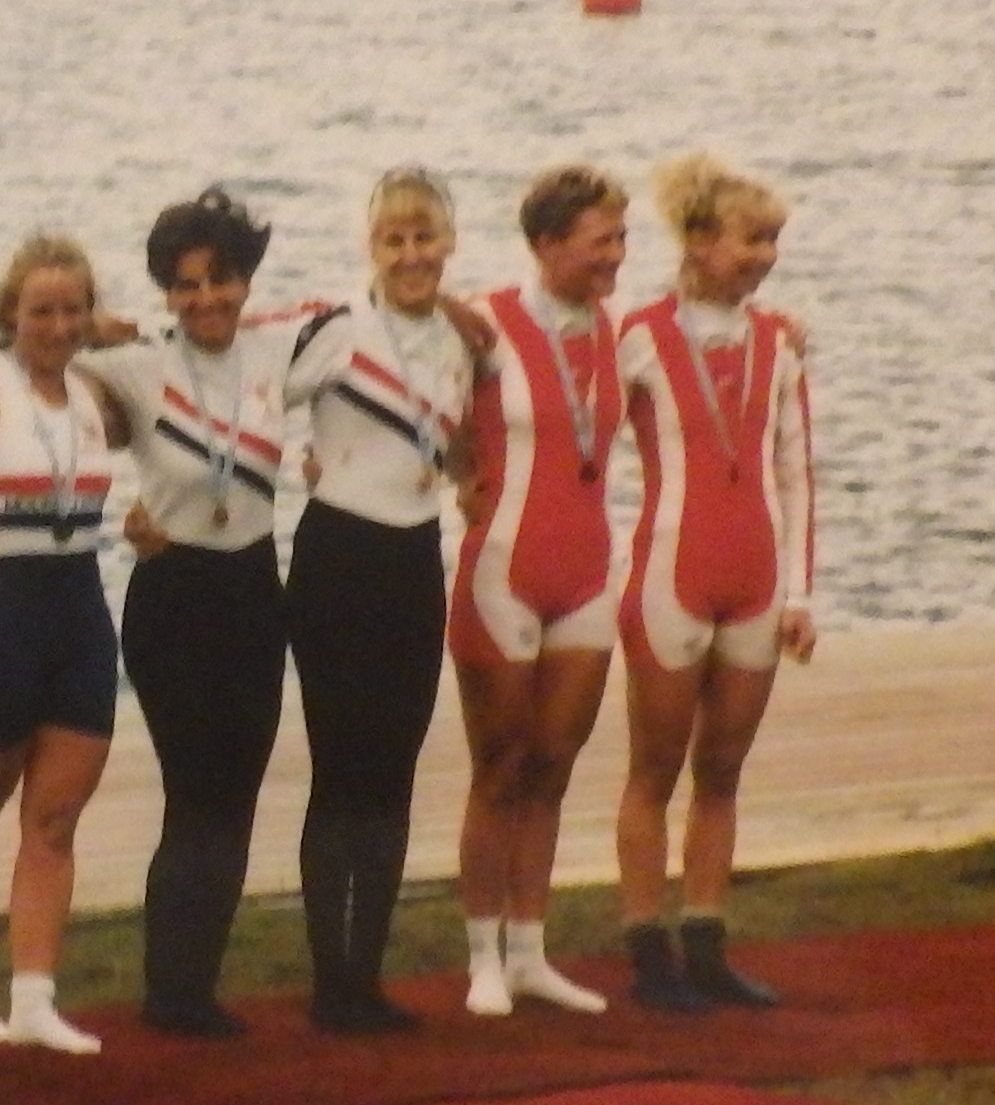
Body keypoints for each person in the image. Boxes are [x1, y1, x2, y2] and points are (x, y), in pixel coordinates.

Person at [82, 187, 327, 1038]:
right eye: (185, 286)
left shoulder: (277, 347)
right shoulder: (137, 361)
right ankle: (170, 990)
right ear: (164, 293)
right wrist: (97, 327)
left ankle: (201, 985)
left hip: (257, 594)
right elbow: (13, 347)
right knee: (193, 796)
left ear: (246, 279)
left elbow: (365, 325)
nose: (206, 300)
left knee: (238, 795)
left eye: (220, 280)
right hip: (172, 597)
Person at [614, 152, 816, 1012]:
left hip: (757, 579)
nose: (765, 255)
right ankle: (646, 947)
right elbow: (562, 429)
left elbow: (799, 470)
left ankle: (706, 942)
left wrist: (802, 593)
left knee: (723, 770)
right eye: (751, 239)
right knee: (654, 768)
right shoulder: (637, 336)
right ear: (698, 242)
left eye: (774, 240)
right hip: (671, 573)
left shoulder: (779, 342)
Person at [281, 167, 474, 1034]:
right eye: (394, 239)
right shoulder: (335, 329)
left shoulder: (460, 341)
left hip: (414, 559)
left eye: (424, 236)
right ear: (371, 247)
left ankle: (368, 976)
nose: (410, 254)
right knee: (340, 771)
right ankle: (329, 982)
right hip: (337, 559)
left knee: (394, 776)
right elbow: (241, 389)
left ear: (448, 243)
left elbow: (468, 441)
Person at [0, 236, 119, 1053]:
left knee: (56, 817)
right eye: (41, 309)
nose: (59, 323)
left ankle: (35, 994)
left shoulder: (93, 393)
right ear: (11, 315)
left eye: (74, 308)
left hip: (81, 615)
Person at [448, 165, 629, 1018]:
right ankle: (482, 952)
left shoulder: (618, 331)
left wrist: (793, 332)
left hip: (587, 570)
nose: (616, 257)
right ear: (549, 244)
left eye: (622, 240)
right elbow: (410, 386)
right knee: (500, 765)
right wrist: (457, 475)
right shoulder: (483, 322)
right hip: (503, 571)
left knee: (552, 766)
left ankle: (531, 951)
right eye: (602, 242)